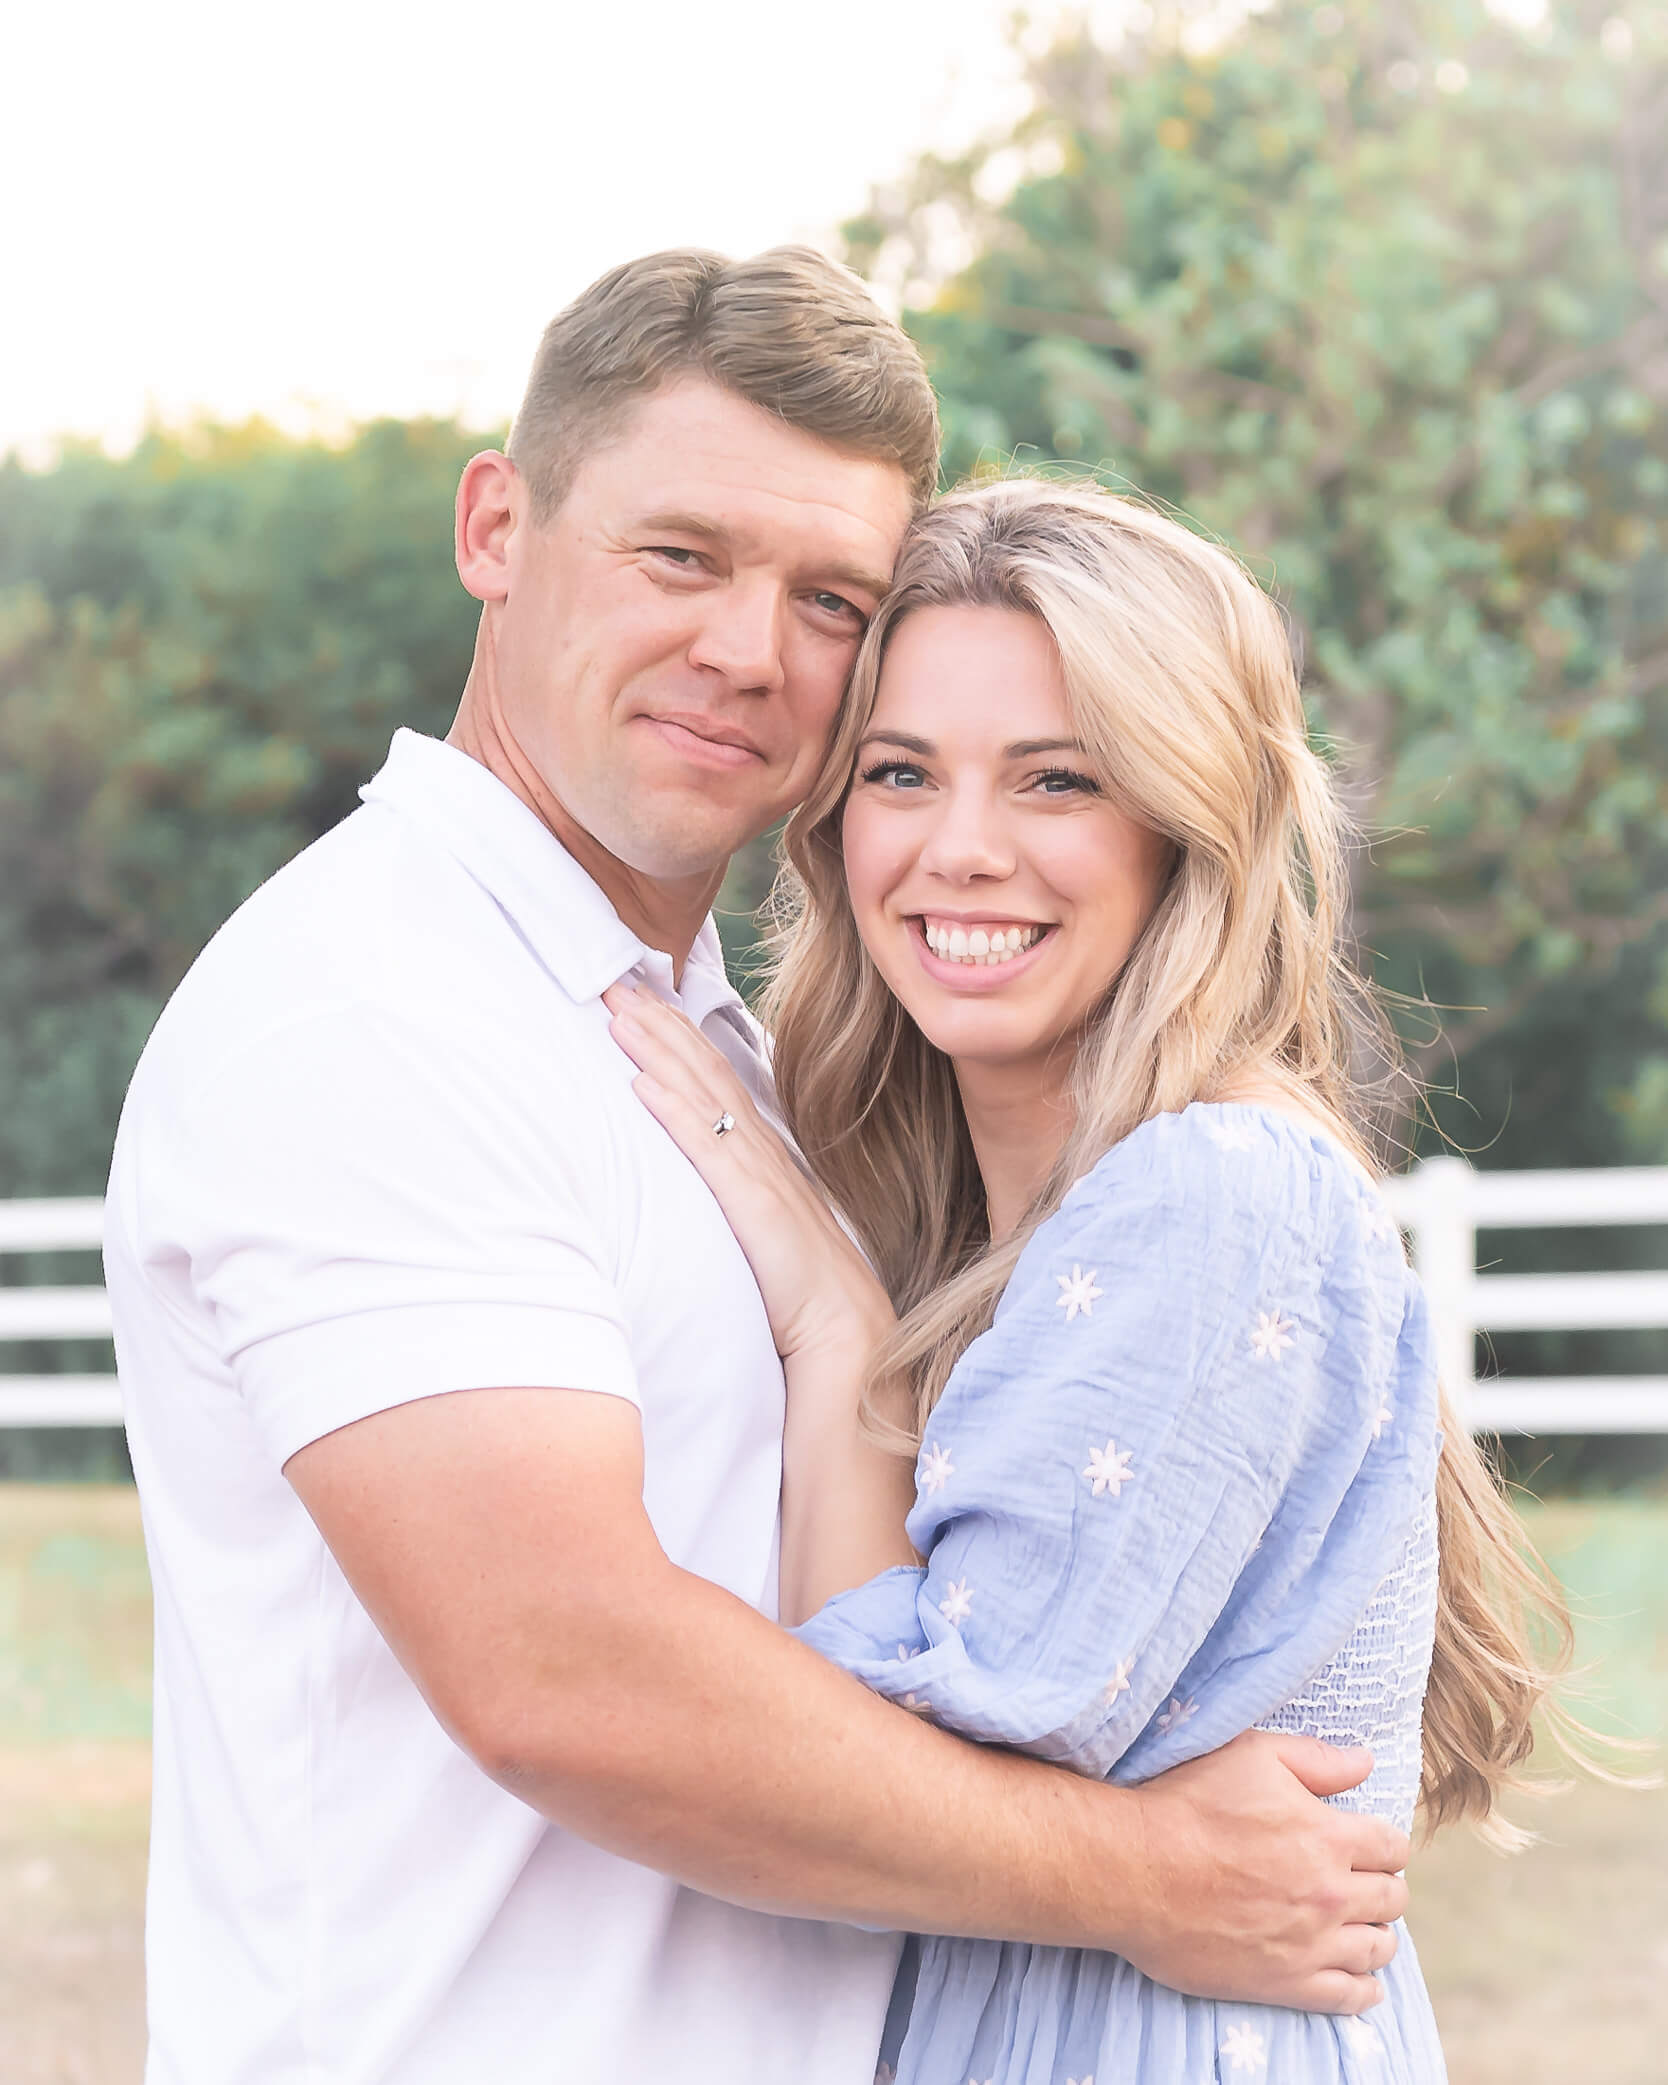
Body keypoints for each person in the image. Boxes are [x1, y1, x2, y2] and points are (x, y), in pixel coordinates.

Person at [105, 251, 1410, 2085]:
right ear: (496, 526)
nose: (748, 648)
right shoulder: (371, 1013)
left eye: (827, 597)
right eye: (680, 556)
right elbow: (568, 1675)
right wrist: (1144, 1878)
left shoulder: (732, 1052)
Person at [606, 477, 1571, 2083]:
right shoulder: (1041, 1215)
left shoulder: (1213, 1191)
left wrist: (837, 1330)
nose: (960, 850)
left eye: (1058, 778)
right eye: (901, 772)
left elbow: (895, 1775)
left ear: (1182, 820)